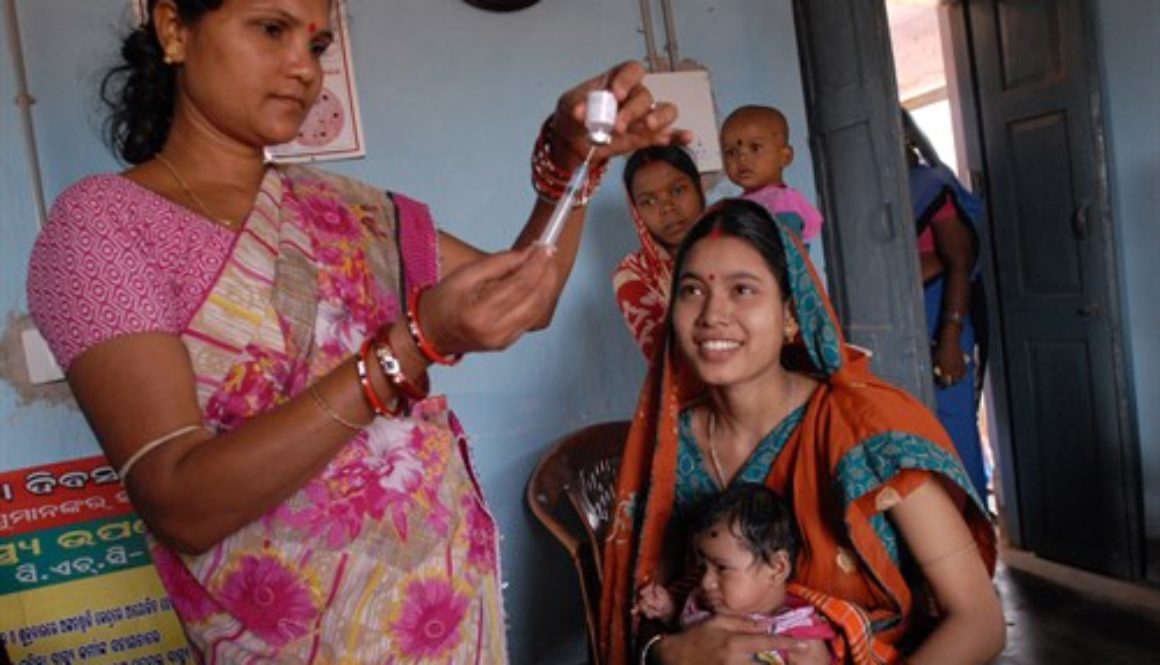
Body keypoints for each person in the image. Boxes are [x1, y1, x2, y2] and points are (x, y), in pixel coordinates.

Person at [24, 0, 688, 661]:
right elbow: (178, 501)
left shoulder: (347, 209)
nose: (302, 68)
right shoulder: (103, 229)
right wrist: (408, 347)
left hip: (449, 629)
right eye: (271, 29)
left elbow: (524, 301)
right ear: (174, 29)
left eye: (315, 45)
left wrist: (571, 165)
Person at [599, 199, 1004, 664]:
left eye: (743, 290)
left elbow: (979, 620)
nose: (712, 314)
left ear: (791, 314)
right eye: (691, 291)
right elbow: (646, 617)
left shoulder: (866, 432)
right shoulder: (670, 447)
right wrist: (664, 652)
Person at [633, 483, 836, 665]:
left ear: (777, 568)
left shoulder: (801, 641)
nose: (706, 582)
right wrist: (667, 611)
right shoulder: (702, 603)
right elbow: (684, 630)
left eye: (722, 568)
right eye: (702, 567)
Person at [902, 109, 988, 501]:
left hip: (943, 314)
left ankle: (972, 535)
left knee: (955, 431)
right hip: (901, 321)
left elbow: (960, 262)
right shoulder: (875, 192)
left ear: (906, 136)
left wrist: (951, 338)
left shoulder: (930, 185)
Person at [613, 145, 708, 360]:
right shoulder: (633, 273)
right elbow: (667, 359)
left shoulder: (739, 245)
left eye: (677, 190)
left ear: (699, 189)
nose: (667, 208)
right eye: (649, 201)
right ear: (636, 211)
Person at [719, 105, 823, 248]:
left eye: (755, 148)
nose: (741, 158)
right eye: (731, 153)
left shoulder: (783, 203)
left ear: (785, 156)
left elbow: (789, 255)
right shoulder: (737, 204)